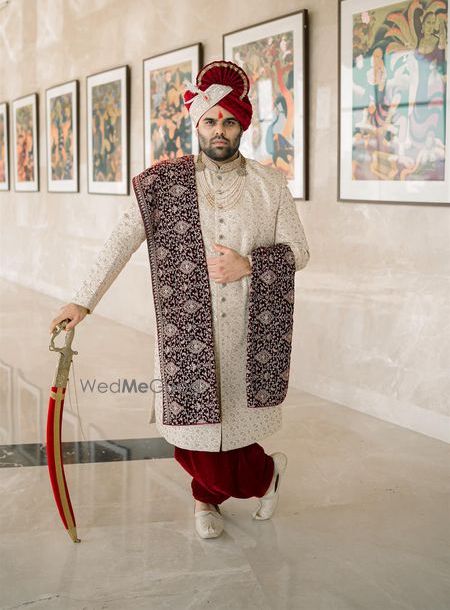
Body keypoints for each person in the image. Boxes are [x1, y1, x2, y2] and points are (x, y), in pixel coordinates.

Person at [49, 60, 310, 539]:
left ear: (242, 126)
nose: (219, 130)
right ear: (197, 125)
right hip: (184, 335)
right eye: (209, 121)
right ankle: (265, 476)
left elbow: (300, 251)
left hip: (248, 336)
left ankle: (205, 500)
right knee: (192, 439)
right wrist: (81, 301)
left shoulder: (269, 185)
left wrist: (250, 264)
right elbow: (120, 241)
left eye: (228, 121)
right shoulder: (162, 184)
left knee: (230, 435)